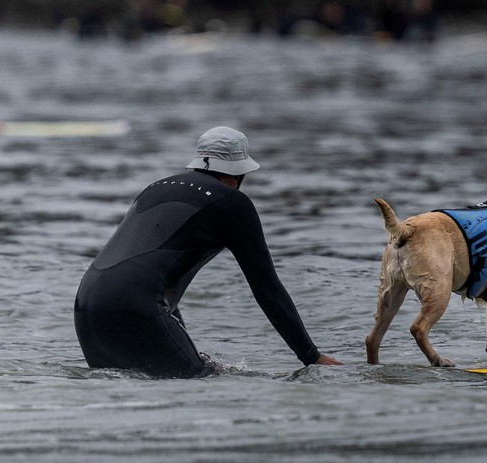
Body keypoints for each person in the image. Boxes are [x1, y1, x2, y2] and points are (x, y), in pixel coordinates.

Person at [74, 126, 342, 377]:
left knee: (121, 391)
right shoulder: (233, 204)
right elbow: (266, 288)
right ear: (239, 173)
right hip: (137, 305)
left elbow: (147, 275)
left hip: (86, 306)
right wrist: (311, 356)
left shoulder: (154, 188)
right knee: (197, 389)